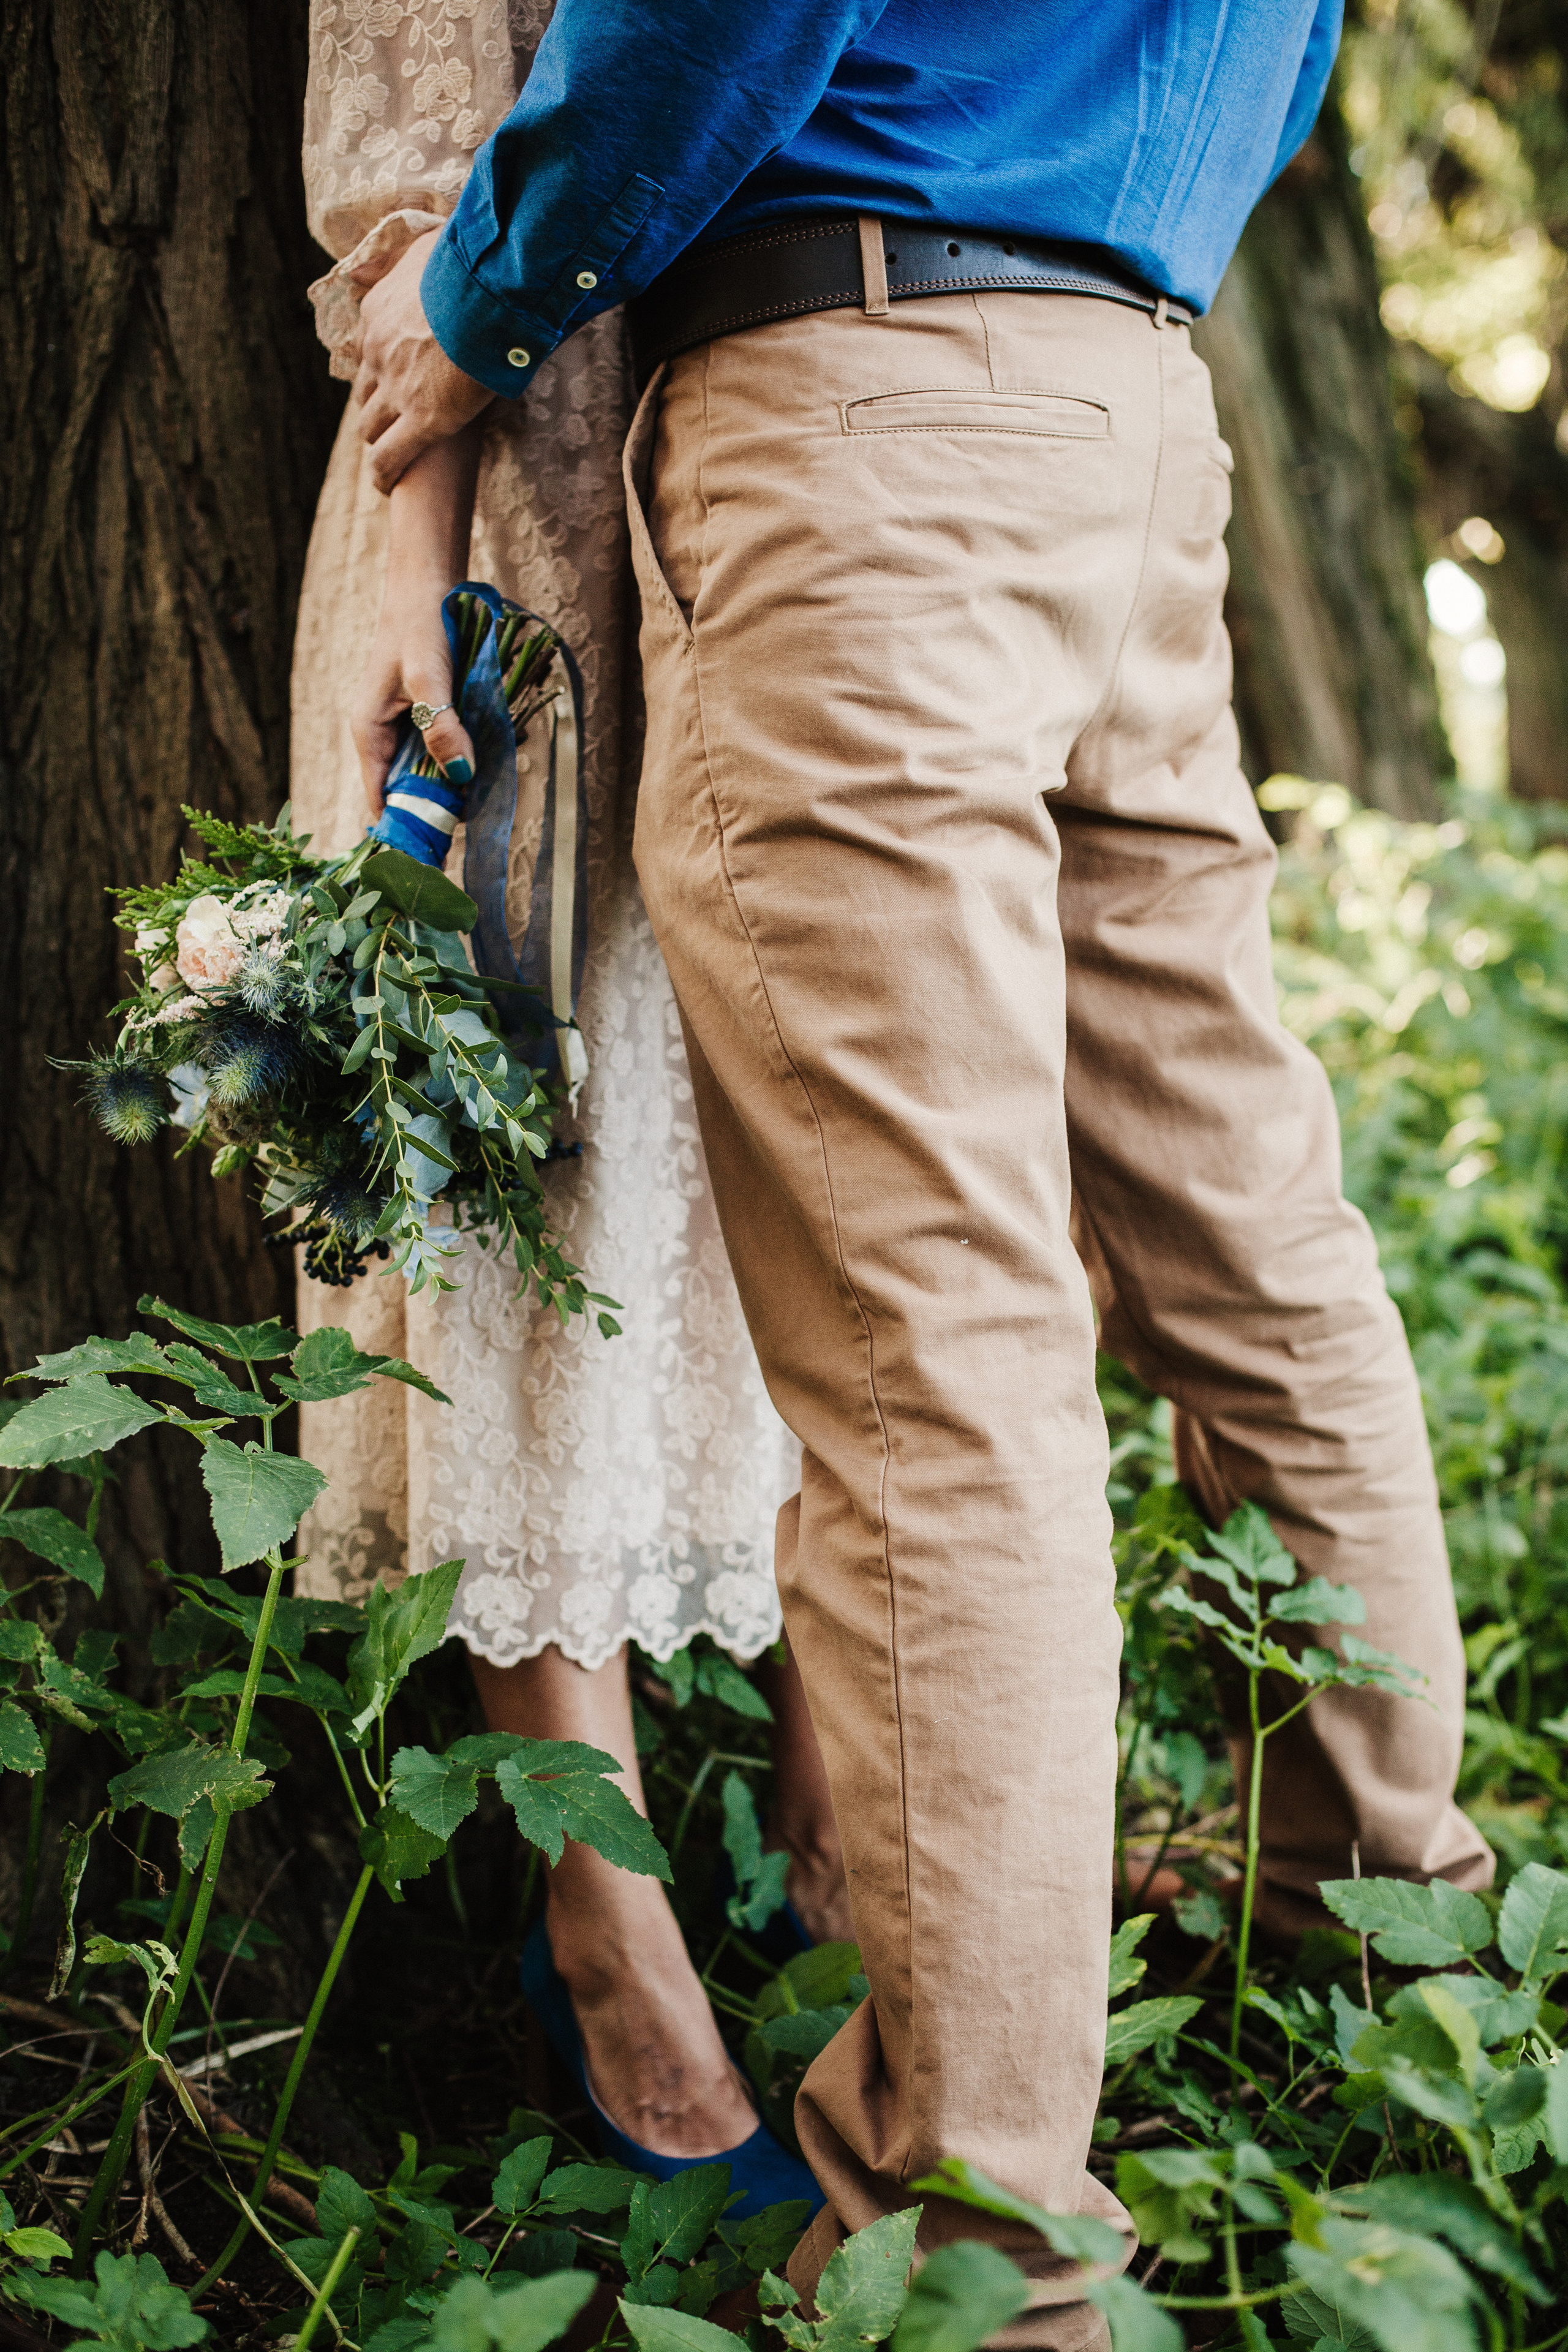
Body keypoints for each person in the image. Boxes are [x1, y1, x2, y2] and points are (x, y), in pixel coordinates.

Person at [347, 1, 1495, 2340]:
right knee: (1251, 1246)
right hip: (1132, 404)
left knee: (933, 1362)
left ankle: (977, 2260)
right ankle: (1392, 1944)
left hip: (864, 401)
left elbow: (716, 21)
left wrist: (476, 305)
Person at [289, 1, 850, 2193]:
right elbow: (413, 171)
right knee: (540, 1168)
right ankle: (608, 1941)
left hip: (790, 514)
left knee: (788, 1168)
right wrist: (423, 558)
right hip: (519, 547)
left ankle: (839, 1812)